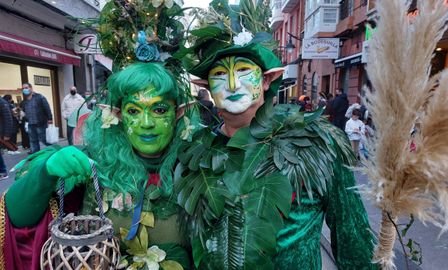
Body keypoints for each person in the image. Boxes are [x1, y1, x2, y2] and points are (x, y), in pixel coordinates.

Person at [176, 0, 377, 268]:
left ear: (267, 79)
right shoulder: (196, 156)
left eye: (245, 71)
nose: (233, 84)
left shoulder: (317, 144)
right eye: (220, 74)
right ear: (207, 87)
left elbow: (355, 247)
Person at [0, 1, 194, 269]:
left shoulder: (200, 165)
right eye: (134, 111)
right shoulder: (94, 164)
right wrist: (45, 172)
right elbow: (18, 217)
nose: (146, 123)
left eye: (159, 109)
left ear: (179, 112)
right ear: (116, 115)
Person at [21, 83, 53, 154]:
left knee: (44, 139)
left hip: (41, 123)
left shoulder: (39, 97)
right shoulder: (24, 102)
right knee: (33, 141)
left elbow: (47, 108)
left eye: (26, 87)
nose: (24, 90)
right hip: (30, 124)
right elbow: (24, 113)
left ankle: (55, 151)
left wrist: (50, 118)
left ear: (31, 88)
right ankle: (36, 155)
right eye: (23, 88)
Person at [0, 96, 13, 179]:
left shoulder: (2, 102)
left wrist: (7, 134)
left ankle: (3, 172)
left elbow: (8, 118)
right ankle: (2, 171)